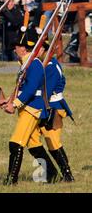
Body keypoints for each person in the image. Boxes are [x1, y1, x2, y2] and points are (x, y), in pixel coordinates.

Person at [1, 25, 58, 185]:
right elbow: (21, 87)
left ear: (24, 48)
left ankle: (11, 180)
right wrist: (10, 100)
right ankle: (52, 174)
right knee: (34, 145)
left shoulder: (34, 64)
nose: (14, 49)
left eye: (17, 46)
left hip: (32, 108)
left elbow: (32, 89)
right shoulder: (25, 63)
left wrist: (15, 104)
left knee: (16, 142)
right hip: (27, 107)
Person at [39, 41, 75, 182]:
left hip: (52, 108)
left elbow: (45, 92)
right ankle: (47, 175)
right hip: (46, 106)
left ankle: (67, 175)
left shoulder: (51, 67)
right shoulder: (45, 65)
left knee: (53, 143)